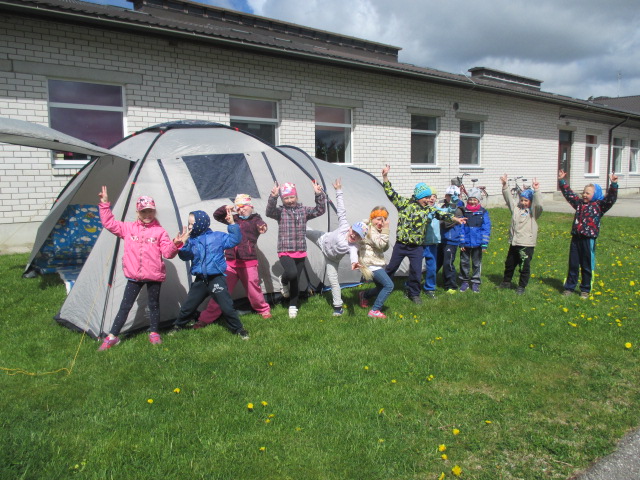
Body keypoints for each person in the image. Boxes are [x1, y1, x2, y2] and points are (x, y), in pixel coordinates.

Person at [97, 186, 183, 350]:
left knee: (153, 305)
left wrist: (175, 244)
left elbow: (168, 253)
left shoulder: (159, 232)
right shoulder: (128, 228)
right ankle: (113, 336)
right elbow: (109, 223)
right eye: (144, 212)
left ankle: (154, 332)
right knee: (125, 306)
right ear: (138, 212)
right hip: (134, 276)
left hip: (154, 276)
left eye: (150, 211)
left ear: (154, 212)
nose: (147, 214)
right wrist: (105, 204)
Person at [382, 165, 464, 304]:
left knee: (416, 271)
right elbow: (390, 192)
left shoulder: (428, 209)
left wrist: (455, 218)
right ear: (419, 196)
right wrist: (385, 177)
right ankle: (381, 287)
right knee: (391, 268)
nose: (428, 200)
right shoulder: (404, 204)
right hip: (401, 245)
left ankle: (414, 293)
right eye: (426, 197)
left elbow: (441, 214)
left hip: (417, 247)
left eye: (429, 197)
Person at [194, 194, 271, 329]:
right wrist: (226, 208)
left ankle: (263, 309)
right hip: (230, 262)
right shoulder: (233, 219)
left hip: (248, 261)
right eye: (238, 207)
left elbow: (261, 225)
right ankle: (205, 318)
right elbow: (217, 215)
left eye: (244, 206)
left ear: (251, 206)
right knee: (221, 290)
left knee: (253, 290)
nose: (241, 210)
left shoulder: (255, 219)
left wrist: (263, 227)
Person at [172, 210, 249, 339]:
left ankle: (238, 329)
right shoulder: (191, 241)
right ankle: (178, 325)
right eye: (189, 223)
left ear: (201, 223)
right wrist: (182, 245)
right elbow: (185, 257)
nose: (190, 226)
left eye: (192, 224)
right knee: (189, 305)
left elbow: (234, 240)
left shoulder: (217, 237)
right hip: (201, 279)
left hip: (216, 278)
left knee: (226, 305)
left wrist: (232, 224)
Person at [266, 179, 327, 318]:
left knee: (296, 280)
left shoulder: (303, 210)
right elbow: (269, 212)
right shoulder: (280, 212)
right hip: (285, 249)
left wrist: (319, 194)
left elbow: (320, 210)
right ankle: (283, 280)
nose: (289, 200)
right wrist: (273, 197)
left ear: (296, 196)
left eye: (292, 197)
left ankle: (293, 305)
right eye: (286, 198)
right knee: (292, 274)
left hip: (300, 250)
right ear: (283, 199)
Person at [306, 178, 365, 316]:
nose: (354, 235)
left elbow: (353, 255)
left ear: (360, 239)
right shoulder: (344, 226)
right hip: (322, 239)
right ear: (350, 228)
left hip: (332, 259)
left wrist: (354, 263)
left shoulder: (353, 246)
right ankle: (295, 221)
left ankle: (338, 307)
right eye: (354, 232)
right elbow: (341, 210)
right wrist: (338, 191)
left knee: (333, 280)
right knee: (304, 230)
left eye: (358, 235)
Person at [558, 169, 618, 298]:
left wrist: (613, 185)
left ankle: (585, 289)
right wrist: (562, 181)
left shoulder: (600, 206)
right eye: (584, 192)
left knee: (586, 265)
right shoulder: (579, 204)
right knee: (573, 264)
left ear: (595, 195)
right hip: (576, 238)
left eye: (588, 193)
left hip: (588, 239)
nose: (584, 195)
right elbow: (569, 194)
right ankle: (569, 287)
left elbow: (611, 199)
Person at [499, 174, 543, 295]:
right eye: (522, 200)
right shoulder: (516, 209)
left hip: (526, 244)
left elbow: (539, 204)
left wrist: (536, 191)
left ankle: (521, 286)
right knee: (509, 264)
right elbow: (509, 199)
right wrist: (505, 185)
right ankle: (506, 281)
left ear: (531, 202)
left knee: (524, 266)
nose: (523, 202)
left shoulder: (533, 212)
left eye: (526, 200)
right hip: (514, 242)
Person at [351, 206, 393, 318]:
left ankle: (364, 295)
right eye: (378, 219)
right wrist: (386, 230)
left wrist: (382, 232)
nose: (380, 223)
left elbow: (384, 248)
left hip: (374, 262)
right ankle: (375, 310)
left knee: (381, 287)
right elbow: (381, 244)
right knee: (389, 285)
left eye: (383, 220)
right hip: (371, 264)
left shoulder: (375, 230)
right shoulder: (369, 230)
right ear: (372, 218)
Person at [458, 188, 491, 293]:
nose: (472, 202)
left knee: (476, 263)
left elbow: (486, 228)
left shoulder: (483, 212)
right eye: (470, 199)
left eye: (474, 199)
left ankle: (476, 282)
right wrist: (462, 242)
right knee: (464, 262)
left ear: (479, 200)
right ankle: (465, 281)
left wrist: (484, 243)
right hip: (466, 243)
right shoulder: (464, 212)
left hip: (478, 243)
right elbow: (461, 228)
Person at [439, 185, 465, 293]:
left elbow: (446, 223)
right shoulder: (443, 207)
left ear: (459, 196)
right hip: (441, 239)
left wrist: (439, 221)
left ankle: (451, 286)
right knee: (438, 262)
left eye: (455, 195)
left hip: (451, 240)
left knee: (448, 263)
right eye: (449, 195)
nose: (451, 197)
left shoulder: (458, 210)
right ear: (445, 196)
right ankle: (434, 282)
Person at [422, 190, 441, 298]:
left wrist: (453, 203)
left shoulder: (438, 210)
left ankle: (429, 288)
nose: (432, 198)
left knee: (432, 267)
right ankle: (410, 286)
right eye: (430, 196)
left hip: (433, 243)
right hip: (421, 243)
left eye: (434, 196)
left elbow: (448, 212)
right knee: (415, 267)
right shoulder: (421, 210)